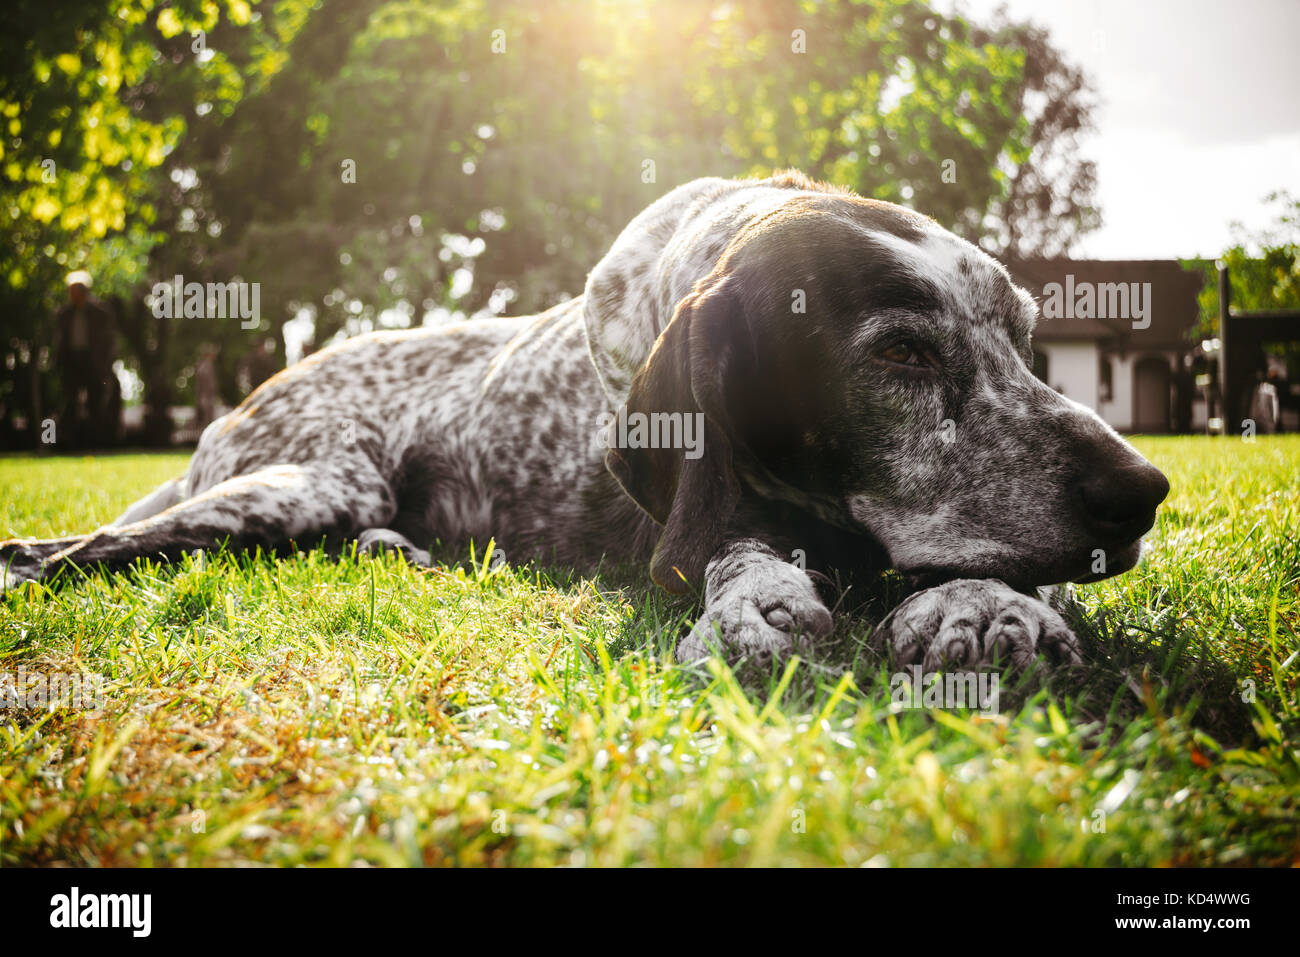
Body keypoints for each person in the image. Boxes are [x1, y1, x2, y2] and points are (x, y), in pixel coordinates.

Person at [55, 270, 117, 447]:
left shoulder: (100, 313)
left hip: (93, 363)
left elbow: (109, 341)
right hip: (71, 362)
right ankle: (69, 443)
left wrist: (105, 365)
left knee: (95, 404)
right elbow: (60, 341)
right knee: (69, 403)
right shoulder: (64, 314)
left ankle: (96, 442)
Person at [194, 343, 220, 434]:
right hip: (206, 397)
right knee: (207, 421)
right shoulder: (207, 366)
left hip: (204, 396)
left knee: (206, 420)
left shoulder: (202, 365)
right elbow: (209, 384)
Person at [1249, 369, 1280, 435]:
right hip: (1258, 418)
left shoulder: (1271, 389)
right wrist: (1253, 416)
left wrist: (1275, 417)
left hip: (1268, 419)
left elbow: (1274, 404)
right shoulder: (1256, 389)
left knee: (1270, 436)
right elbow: (1254, 404)